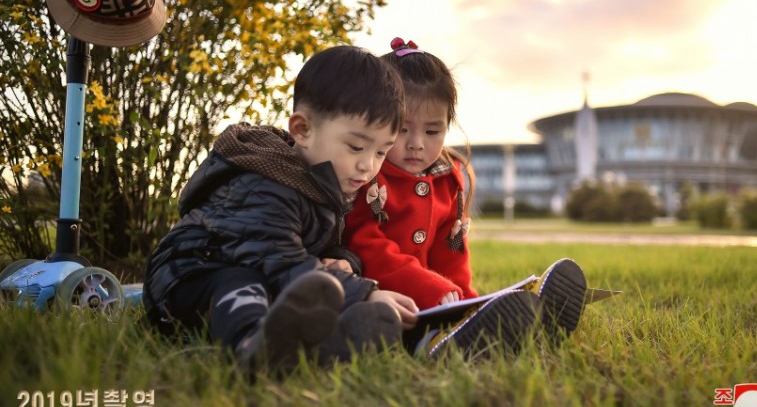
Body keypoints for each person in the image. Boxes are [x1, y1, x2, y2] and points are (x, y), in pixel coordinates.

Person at [143, 46, 419, 373]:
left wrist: (342, 261)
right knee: (243, 280)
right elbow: (279, 261)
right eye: (356, 147)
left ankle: (329, 343)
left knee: (305, 292)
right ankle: (253, 346)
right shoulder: (265, 183)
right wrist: (362, 293)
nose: (367, 165)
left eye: (381, 153)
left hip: (263, 279)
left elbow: (317, 247)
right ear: (302, 130)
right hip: (188, 281)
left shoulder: (326, 183)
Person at [344, 38, 588, 357]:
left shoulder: (447, 179)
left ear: (448, 126)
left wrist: (467, 301)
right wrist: (432, 289)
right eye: (403, 129)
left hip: (433, 299)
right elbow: (365, 245)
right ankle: (440, 349)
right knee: (406, 331)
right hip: (377, 295)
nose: (417, 143)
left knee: (467, 314)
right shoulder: (367, 172)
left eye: (433, 132)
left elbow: (451, 252)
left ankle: (523, 329)